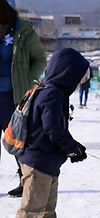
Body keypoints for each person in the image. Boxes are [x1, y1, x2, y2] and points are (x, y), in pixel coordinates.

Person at [10, 48, 89, 218]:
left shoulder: (55, 92)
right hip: (37, 160)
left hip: (48, 161)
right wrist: (72, 148)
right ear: (68, 73)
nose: (80, 81)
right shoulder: (52, 94)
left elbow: (56, 130)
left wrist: (73, 148)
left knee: (47, 204)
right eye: (79, 75)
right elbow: (54, 129)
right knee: (33, 205)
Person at [0, 0, 47, 198]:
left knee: (18, 140)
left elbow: (40, 60)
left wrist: (30, 80)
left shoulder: (23, 31)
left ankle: (24, 180)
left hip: (13, 95)